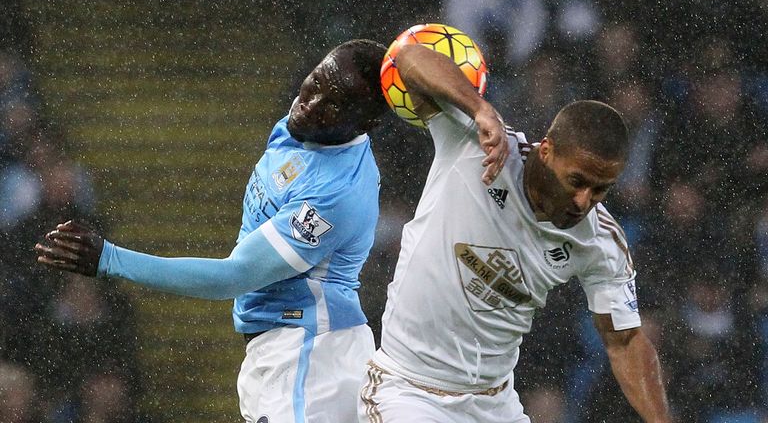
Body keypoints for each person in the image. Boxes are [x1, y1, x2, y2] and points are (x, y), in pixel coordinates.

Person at [33, 38, 512, 423]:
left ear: (363, 123)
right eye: (316, 81)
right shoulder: (302, 126)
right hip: (279, 350)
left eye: (335, 102)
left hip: (313, 356)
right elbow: (399, 58)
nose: (312, 102)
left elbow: (232, 277)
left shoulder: (336, 194)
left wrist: (109, 259)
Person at [358, 44, 671, 422]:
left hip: (493, 404)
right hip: (408, 390)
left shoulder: (601, 242)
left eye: (600, 189)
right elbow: (407, 58)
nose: (584, 199)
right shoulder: (479, 143)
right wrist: (478, 108)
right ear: (547, 152)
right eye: (577, 181)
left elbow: (625, 342)